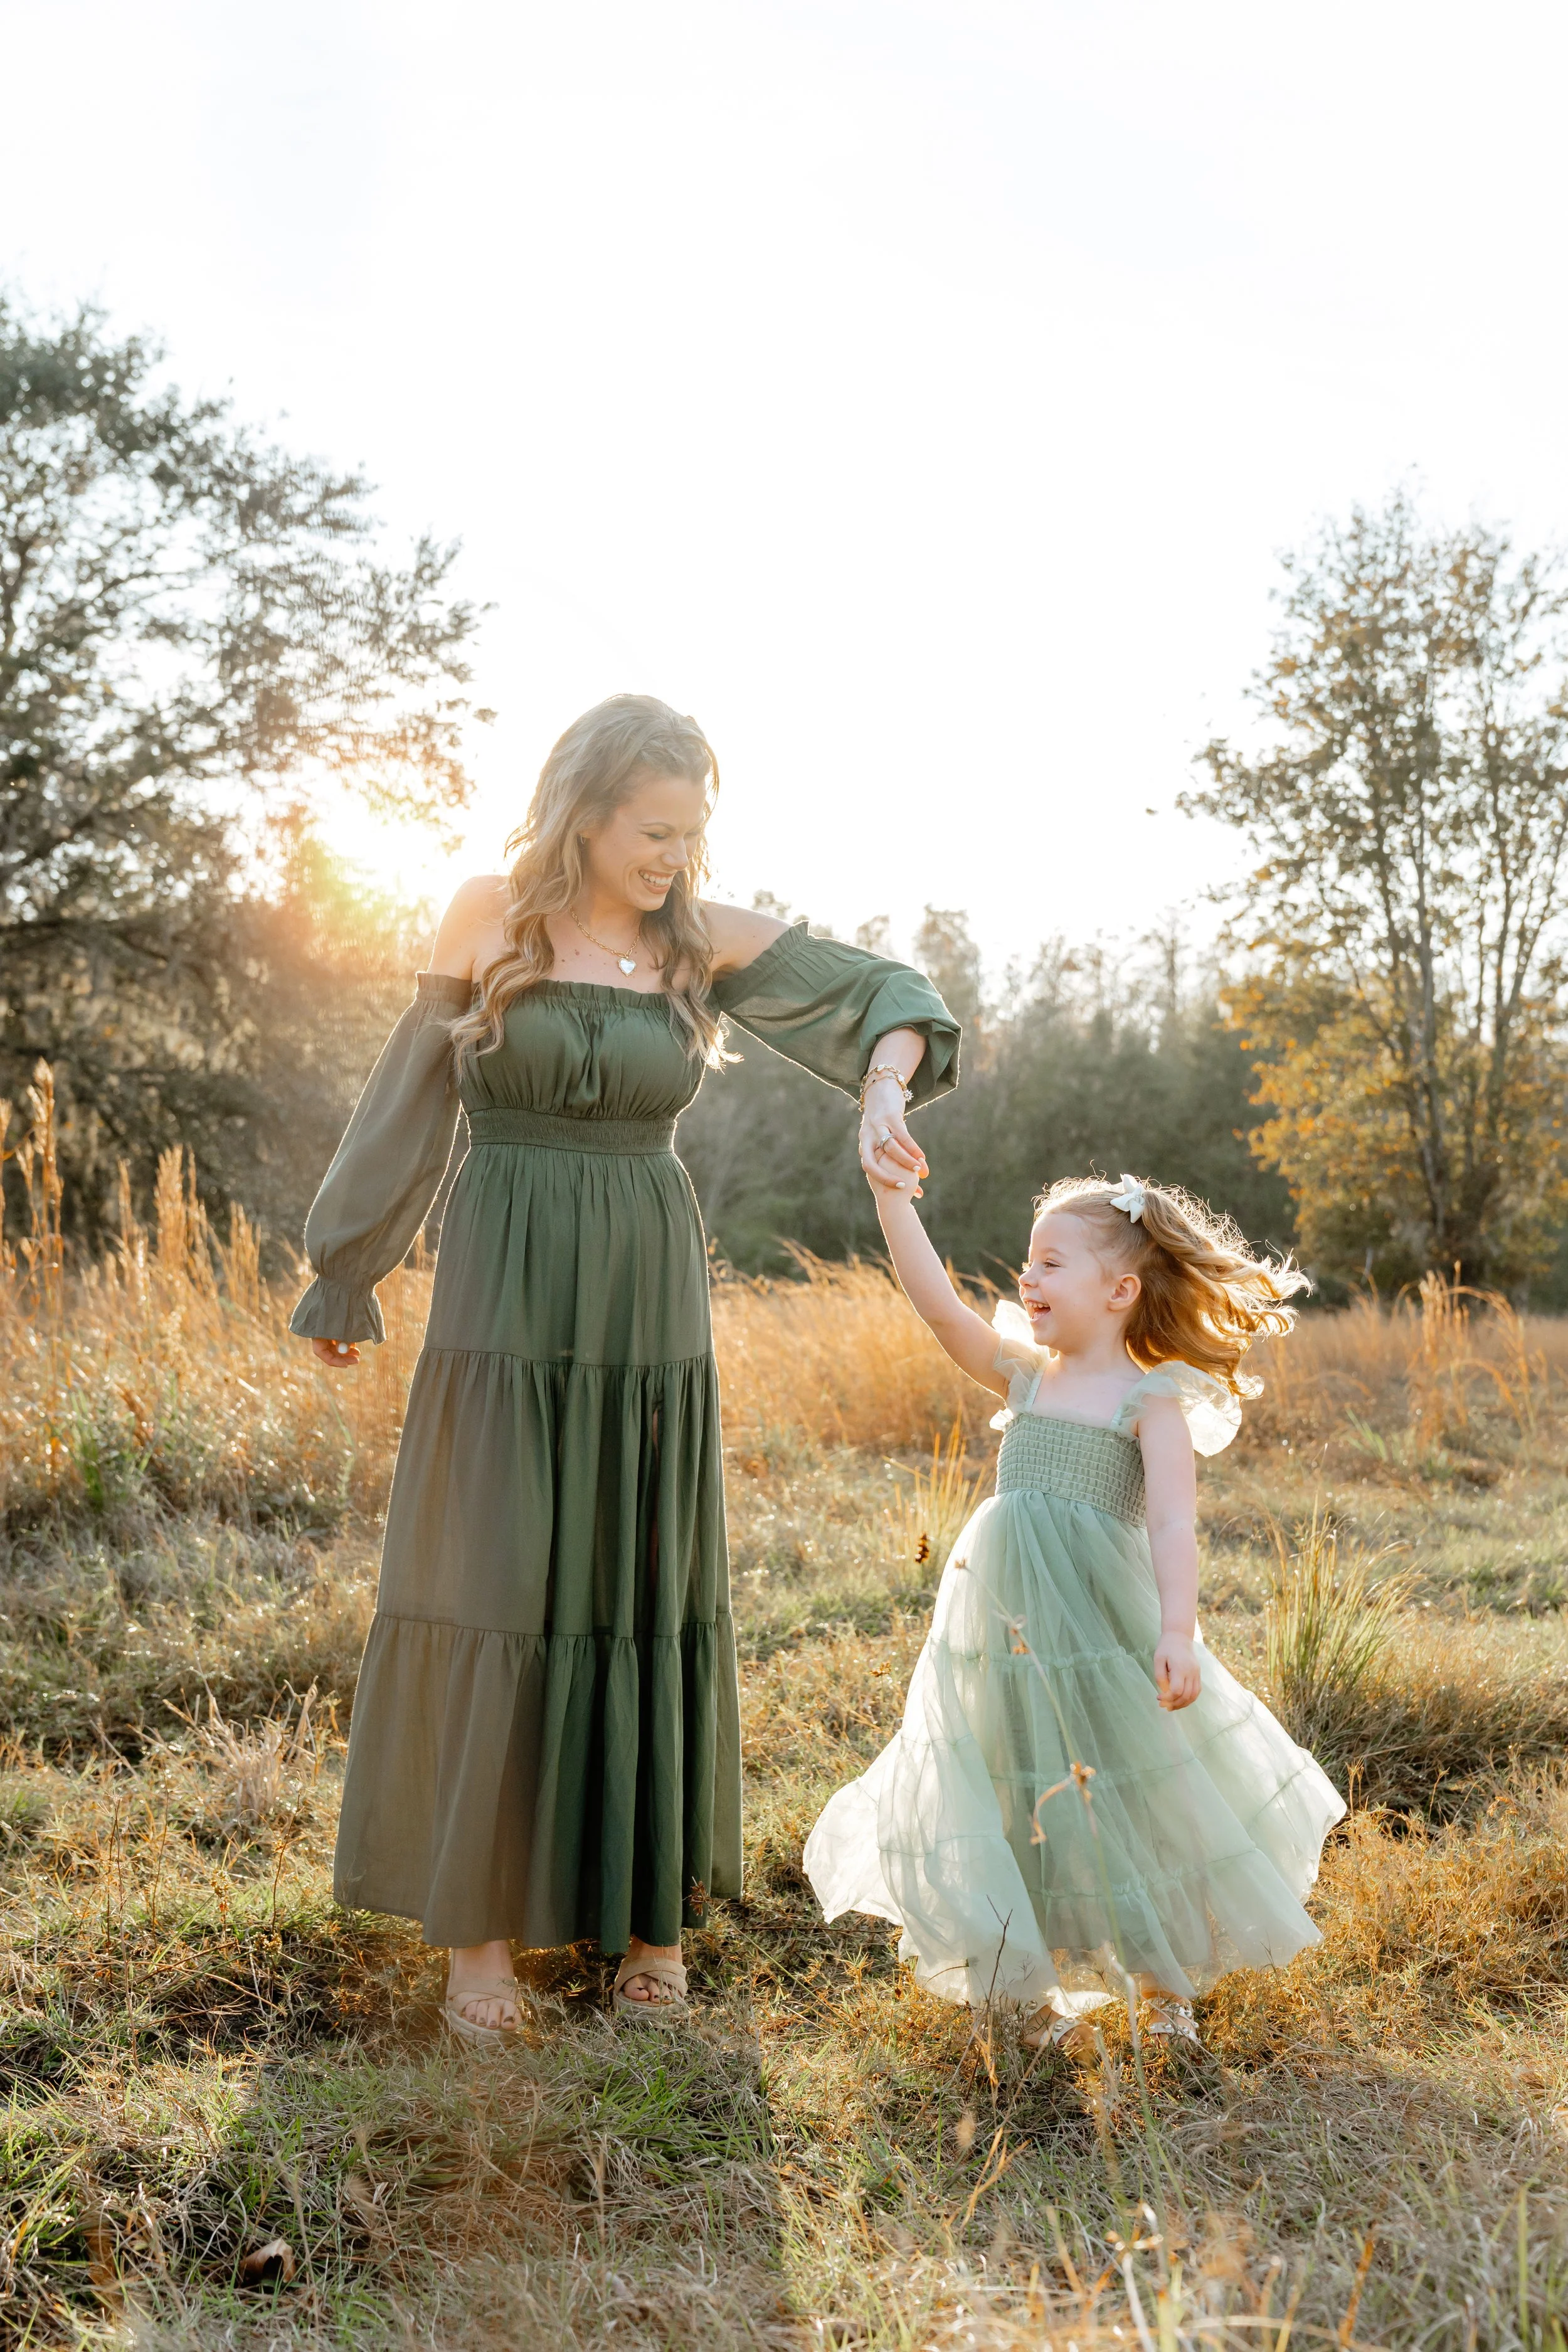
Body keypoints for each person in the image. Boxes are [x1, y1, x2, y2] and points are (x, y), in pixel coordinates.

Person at [291, 693, 960, 2045]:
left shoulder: (698, 941)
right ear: (585, 812)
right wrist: (348, 1262)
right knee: (492, 1578)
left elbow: (895, 998)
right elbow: (408, 1098)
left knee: (636, 1574)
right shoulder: (486, 915)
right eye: (654, 830)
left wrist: (881, 1093)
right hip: (504, 1272)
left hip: (647, 1284)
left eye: (690, 831)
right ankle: (479, 1941)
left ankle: (648, 1928)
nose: (673, 855)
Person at [803, 1168, 1345, 2053]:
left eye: (1052, 1263)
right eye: (1029, 1261)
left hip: (1104, 1627)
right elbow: (941, 1310)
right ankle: (1026, 1993)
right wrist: (892, 1203)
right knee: (1013, 1779)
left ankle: (1164, 1987)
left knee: (1136, 1792)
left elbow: (1172, 1523)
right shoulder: (1026, 1376)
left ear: (1120, 1291)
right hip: (1006, 1625)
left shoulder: (1150, 1400)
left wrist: (1177, 1632)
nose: (1029, 1278)